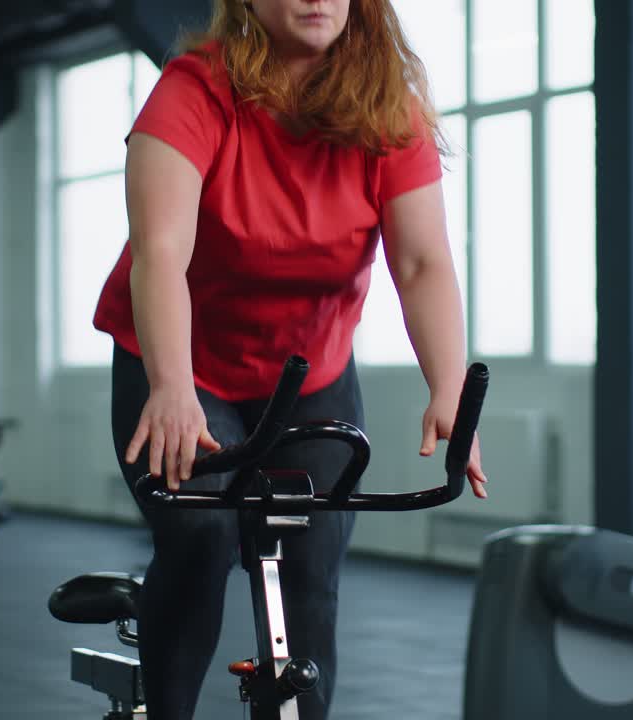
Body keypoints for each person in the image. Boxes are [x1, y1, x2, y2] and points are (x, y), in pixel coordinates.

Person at [91, 0, 488, 717]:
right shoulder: (196, 89)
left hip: (311, 371)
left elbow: (424, 262)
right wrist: (172, 384)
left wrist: (449, 386)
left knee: (310, 562)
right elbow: (160, 253)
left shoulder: (385, 107)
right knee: (202, 533)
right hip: (186, 362)